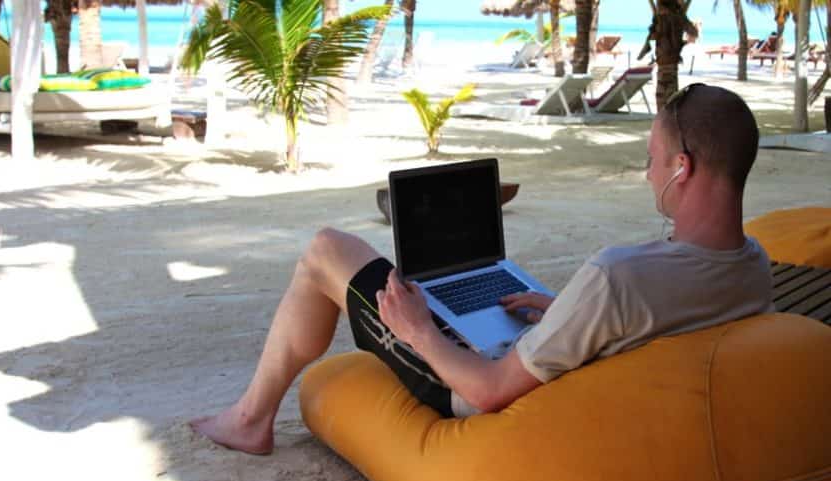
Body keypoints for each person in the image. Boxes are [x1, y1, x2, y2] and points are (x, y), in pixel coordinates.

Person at [191, 84, 773, 455]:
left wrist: (419, 328)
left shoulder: (618, 277)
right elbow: (652, 321)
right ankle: (251, 413)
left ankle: (249, 419)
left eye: (651, 160)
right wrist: (567, 315)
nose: (647, 174)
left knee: (326, 249)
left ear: (681, 167)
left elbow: (490, 392)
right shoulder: (754, 268)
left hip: (477, 386)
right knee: (438, 285)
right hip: (576, 369)